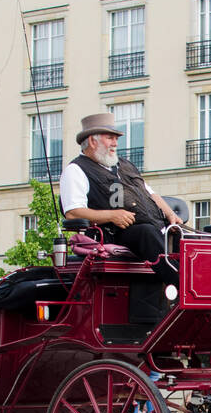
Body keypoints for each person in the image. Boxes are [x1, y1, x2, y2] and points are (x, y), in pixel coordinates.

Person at [59, 113, 184, 289]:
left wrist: (171, 215)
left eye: (116, 138)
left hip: (152, 228)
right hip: (114, 233)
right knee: (146, 233)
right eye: (110, 138)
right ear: (93, 141)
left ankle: (210, 285)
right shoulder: (76, 170)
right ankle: (184, 286)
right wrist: (112, 215)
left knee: (185, 236)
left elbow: (151, 194)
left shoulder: (125, 166)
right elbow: (73, 212)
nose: (115, 144)